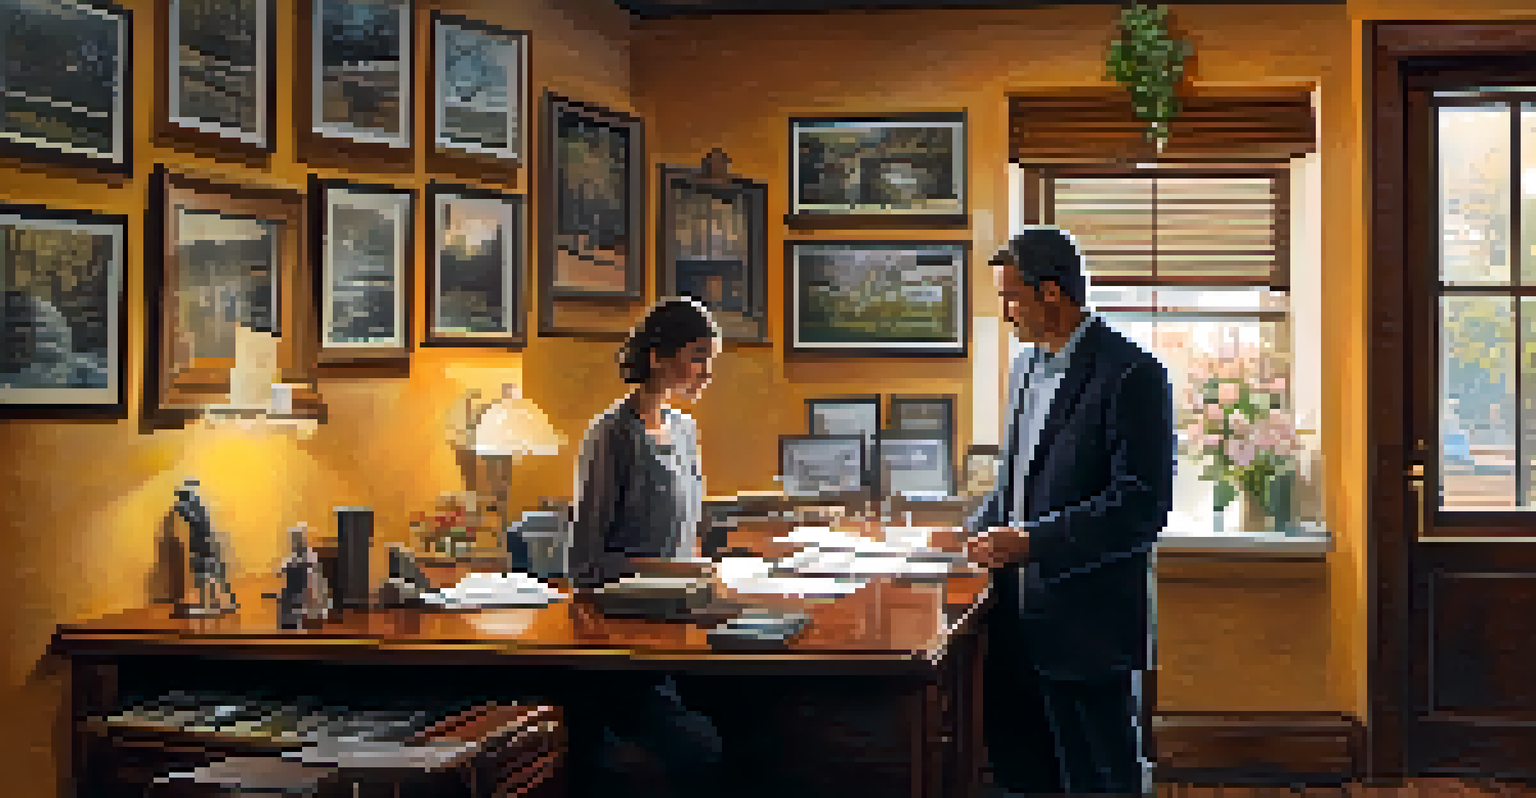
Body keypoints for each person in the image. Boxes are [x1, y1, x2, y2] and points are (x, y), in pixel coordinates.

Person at [965, 228, 1175, 796]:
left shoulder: (1135, 375)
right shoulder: (1023, 371)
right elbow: (1013, 485)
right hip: (1015, 624)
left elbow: (1140, 507)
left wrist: (1032, 542)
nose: (1006, 312)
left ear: (1051, 293)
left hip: (1089, 628)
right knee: (1023, 775)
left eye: (1011, 297)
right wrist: (967, 535)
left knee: (1102, 779)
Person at [566, 295, 725, 798]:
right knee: (704, 747)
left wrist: (704, 576)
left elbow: (690, 533)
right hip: (628, 650)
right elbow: (586, 565)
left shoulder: (686, 431)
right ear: (658, 357)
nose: (706, 372)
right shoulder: (610, 435)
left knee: (755, 716)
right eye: (698, 356)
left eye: (710, 361)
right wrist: (677, 576)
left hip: (683, 629)